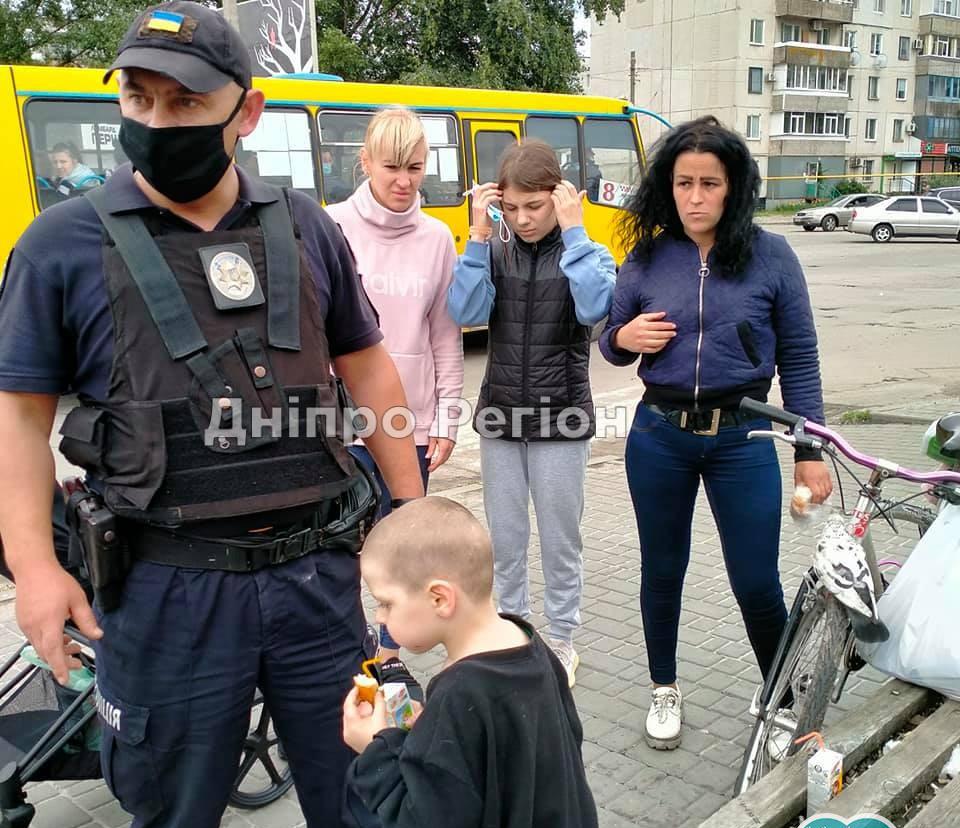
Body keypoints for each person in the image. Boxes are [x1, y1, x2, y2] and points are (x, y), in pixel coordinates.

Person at [0, 3, 424, 828]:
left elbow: (369, 369)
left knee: (354, 790)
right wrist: (33, 565)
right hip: (166, 590)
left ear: (248, 111)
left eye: (186, 102)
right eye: (138, 96)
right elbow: (19, 417)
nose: (156, 119)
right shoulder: (61, 244)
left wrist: (412, 515)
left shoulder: (308, 229)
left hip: (320, 580)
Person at [599, 116, 832, 754]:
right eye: (682, 183)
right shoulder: (647, 255)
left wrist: (812, 450)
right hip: (659, 437)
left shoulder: (770, 255)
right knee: (662, 569)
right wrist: (623, 338)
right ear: (667, 187)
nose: (694, 196)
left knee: (757, 579)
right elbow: (609, 341)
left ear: (733, 188)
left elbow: (801, 358)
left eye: (709, 183)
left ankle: (783, 700)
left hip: (745, 437)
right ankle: (664, 688)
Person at [342, 496, 601, 828]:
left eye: (384, 602)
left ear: (440, 597)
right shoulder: (530, 644)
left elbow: (435, 824)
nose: (379, 618)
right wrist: (425, 737)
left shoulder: (460, 694)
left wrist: (375, 750)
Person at [447, 139, 616, 687]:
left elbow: (595, 309)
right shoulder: (493, 251)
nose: (521, 219)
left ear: (560, 199)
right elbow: (466, 312)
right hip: (499, 418)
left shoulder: (586, 252)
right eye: (510, 208)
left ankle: (562, 639)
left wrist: (574, 232)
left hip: (562, 421)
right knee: (506, 539)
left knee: (560, 540)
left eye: (534, 207)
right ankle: (513, 633)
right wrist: (476, 236)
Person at [326, 107, 464, 661]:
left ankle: (387, 661)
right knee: (341, 557)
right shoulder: (331, 226)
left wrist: (448, 416)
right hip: (339, 429)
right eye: (392, 168)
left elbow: (445, 337)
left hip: (412, 428)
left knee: (402, 559)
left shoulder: (436, 239)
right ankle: (342, 660)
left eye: (415, 167)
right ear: (365, 163)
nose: (405, 181)